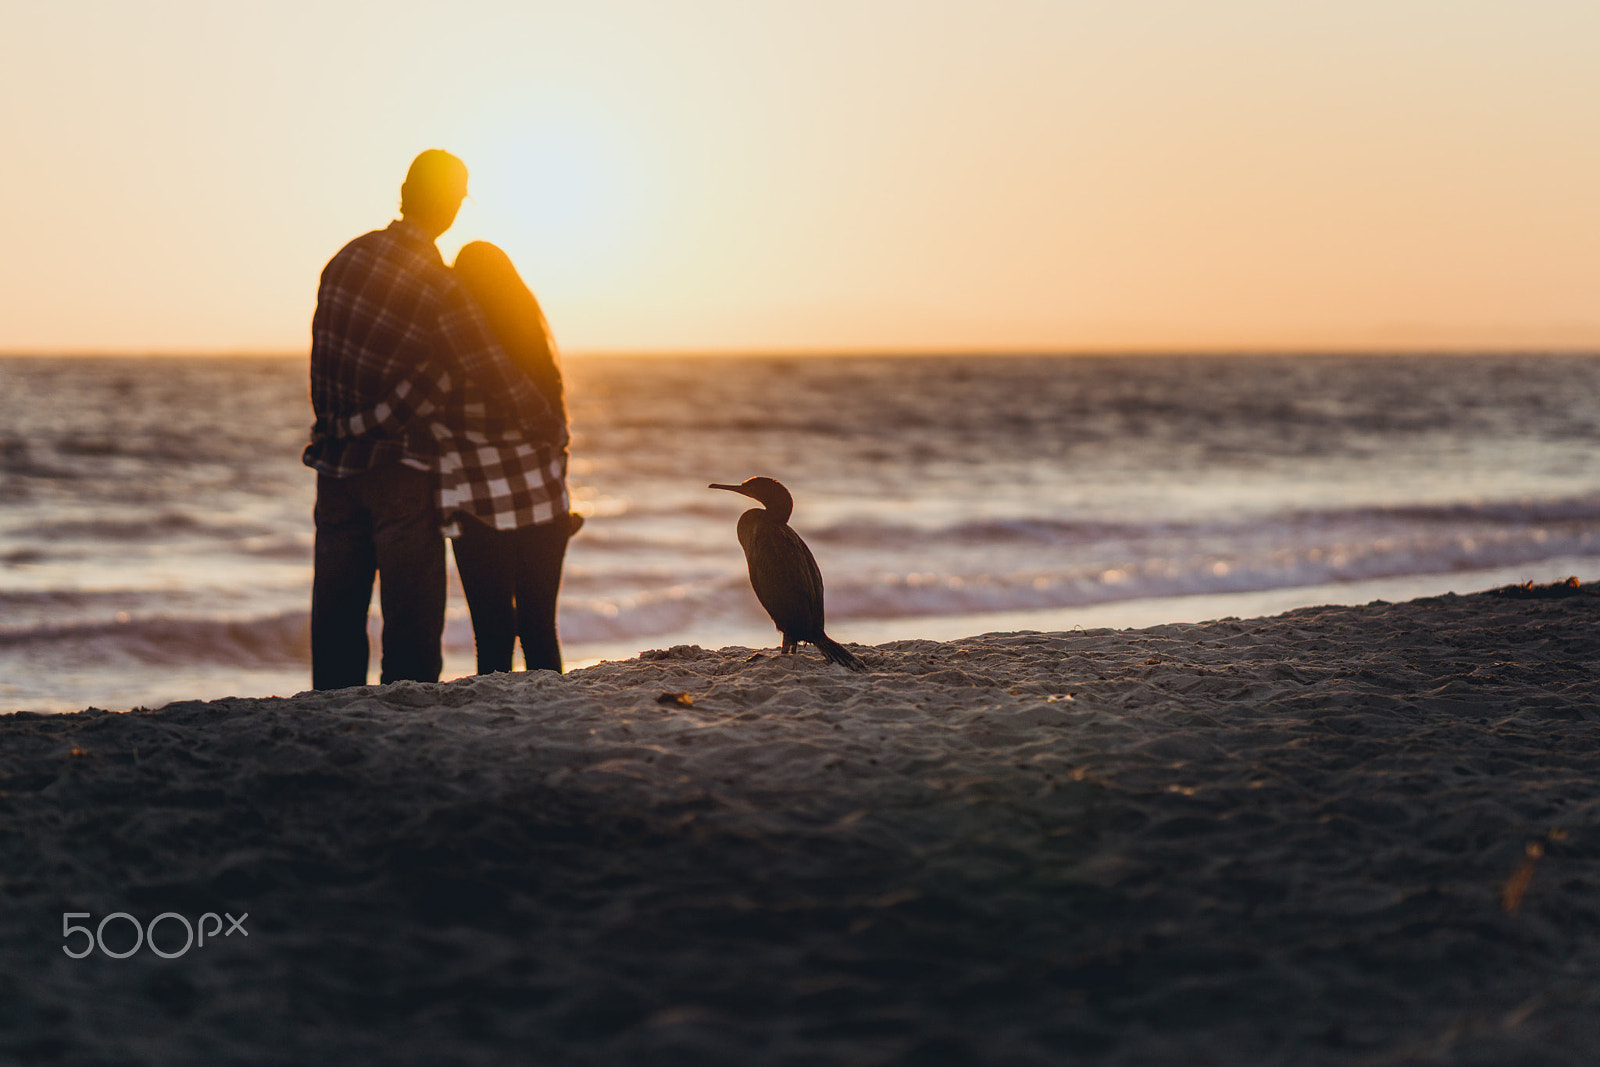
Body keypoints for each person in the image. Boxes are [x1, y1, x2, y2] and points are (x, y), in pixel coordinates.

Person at [303, 150, 556, 690]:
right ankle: (398, 724)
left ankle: (332, 715)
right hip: (402, 469)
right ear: (450, 206)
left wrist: (338, 427)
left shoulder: (345, 259)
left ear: (404, 190)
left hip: (333, 467)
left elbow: (322, 361)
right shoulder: (441, 288)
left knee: (336, 620)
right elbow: (491, 374)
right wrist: (544, 416)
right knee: (410, 632)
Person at [447, 241, 575, 674]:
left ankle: (492, 731)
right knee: (541, 629)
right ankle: (555, 717)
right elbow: (559, 434)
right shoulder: (532, 343)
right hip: (543, 502)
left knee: (492, 635)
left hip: (478, 506)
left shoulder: (454, 345)